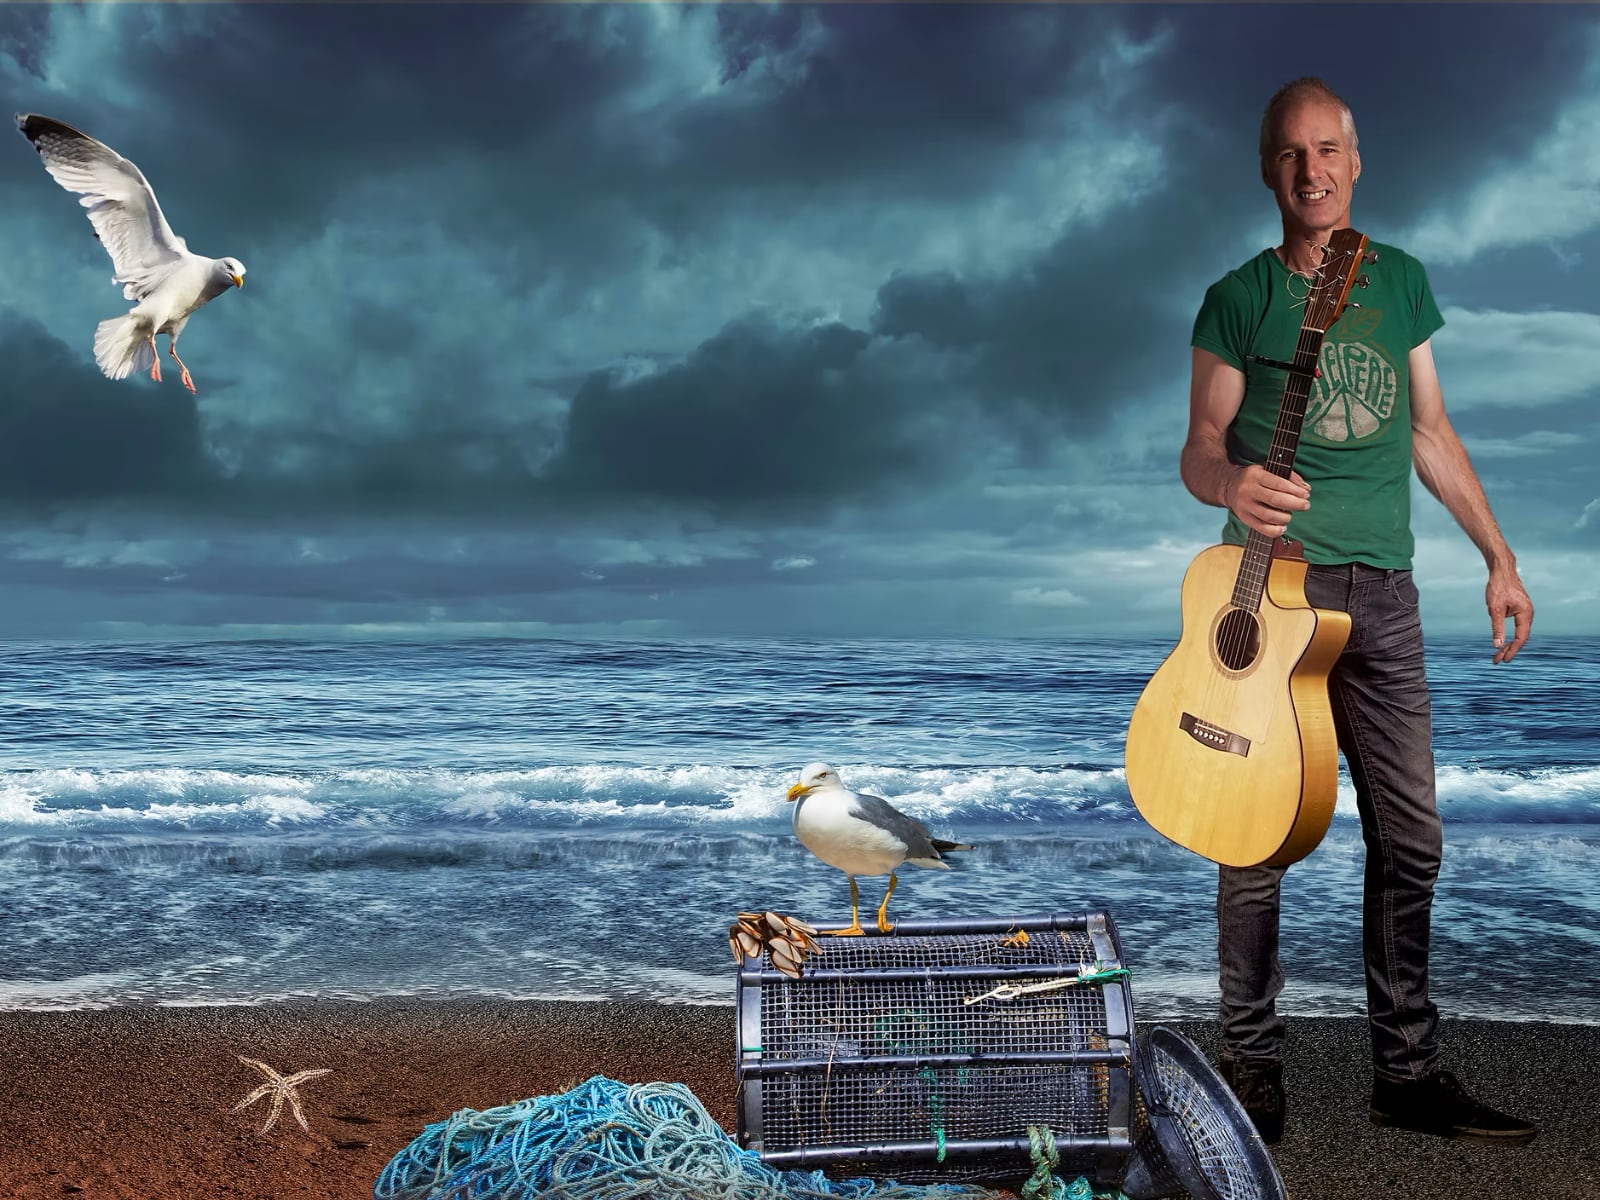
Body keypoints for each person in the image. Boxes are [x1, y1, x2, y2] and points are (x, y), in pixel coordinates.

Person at [1180, 77, 1538, 1147]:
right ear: (1268, 170)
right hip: (1270, 592)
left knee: (1411, 839)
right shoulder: (1237, 298)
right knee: (1251, 843)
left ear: (1356, 160)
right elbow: (1200, 448)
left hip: (1384, 595)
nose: (1314, 171)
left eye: (1329, 149)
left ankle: (1406, 1075)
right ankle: (1252, 1068)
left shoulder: (1401, 284)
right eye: (1293, 153)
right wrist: (1229, 484)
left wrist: (1498, 556)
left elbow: (1429, 431)